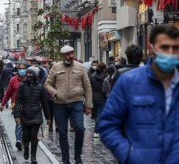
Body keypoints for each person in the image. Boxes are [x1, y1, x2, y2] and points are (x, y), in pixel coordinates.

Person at [99, 24, 179, 163]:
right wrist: (128, 154)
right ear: (151, 47)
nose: (170, 53)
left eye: (176, 48)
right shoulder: (129, 82)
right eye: (165, 47)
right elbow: (108, 124)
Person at [44, 45, 93, 164]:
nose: (71, 56)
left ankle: (77, 156)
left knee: (80, 129)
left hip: (76, 102)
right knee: (62, 131)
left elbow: (87, 87)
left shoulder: (80, 67)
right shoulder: (55, 67)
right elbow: (47, 84)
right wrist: (55, 93)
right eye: (68, 54)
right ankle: (65, 159)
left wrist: (88, 105)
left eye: (72, 53)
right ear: (63, 56)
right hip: (59, 104)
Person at [14, 67, 51, 164]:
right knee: (26, 137)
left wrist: (48, 117)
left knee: (34, 137)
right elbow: (18, 101)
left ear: (35, 76)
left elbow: (44, 103)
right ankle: (26, 147)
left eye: (31, 74)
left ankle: (33, 156)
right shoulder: (22, 86)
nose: (29, 76)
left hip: (36, 115)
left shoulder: (40, 87)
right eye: (28, 74)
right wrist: (17, 116)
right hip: (25, 114)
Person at [0, 62, 28, 151]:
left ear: (26, 69)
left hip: (28, 105)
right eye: (20, 69)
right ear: (17, 70)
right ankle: (18, 140)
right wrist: (3, 104)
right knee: (19, 123)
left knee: (26, 124)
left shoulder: (30, 79)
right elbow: (8, 93)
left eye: (23, 68)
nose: (22, 70)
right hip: (17, 105)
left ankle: (24, 139)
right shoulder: (13, 80)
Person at [89, 63, 107, 138]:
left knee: (96, 115)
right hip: (102, 97)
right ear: (104, 69)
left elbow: (90, 87)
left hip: (93, 97)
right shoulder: (106, 77)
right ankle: (96, 131)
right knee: (99, 114)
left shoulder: (92, 76)